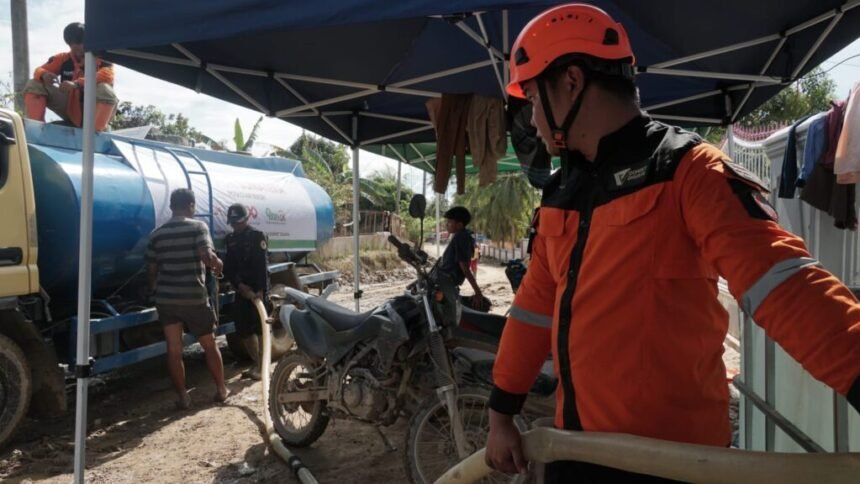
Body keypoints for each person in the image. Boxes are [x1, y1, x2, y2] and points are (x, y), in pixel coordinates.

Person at [486, 4, 860, 482]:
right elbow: (533, 309)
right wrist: (501, 412)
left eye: (535, 100)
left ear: (572, 83)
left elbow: (783, 283)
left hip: (677, 465)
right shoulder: (562, 194)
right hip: (577, 452)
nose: (533, 120)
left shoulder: (688, 170)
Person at [146, 189, 228, 409]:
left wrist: (155, 290)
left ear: (172, 206)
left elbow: (152, 269)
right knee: (209, 344)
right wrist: (218, 264)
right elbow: (206, 256)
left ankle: (183, 397)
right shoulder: (198, 227)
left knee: (174, 349)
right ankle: (221, 389)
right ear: (191, 205)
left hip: (167, 299)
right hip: (193, 297)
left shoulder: (156, 234)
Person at [23, 22, 117, 132]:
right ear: (69, 44)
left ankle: (96, 132)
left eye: (82, 42)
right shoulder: (62, 58)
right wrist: (44, 75)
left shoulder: (102, 58)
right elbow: (38, 70)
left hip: (96, 110)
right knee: (34, 84)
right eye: (76, 44)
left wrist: (77, 83)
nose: (81, 47)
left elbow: (107, 76)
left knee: (105, 89)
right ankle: (37, 129)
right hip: (71, 108)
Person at [223, 203, 269, 381]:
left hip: (257, 289)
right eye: (233, 223)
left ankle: (262, 366)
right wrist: (240, 285)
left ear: (246, 219)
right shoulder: (231, 240)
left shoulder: (257, 237)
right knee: (243, 328)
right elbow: (229, 268)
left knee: (261, 327)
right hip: (241, 289)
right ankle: (257, 363)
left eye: (239, 222)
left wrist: (259, 291)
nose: (236, 226)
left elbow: (261, 266)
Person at [437, 206, 483, 308]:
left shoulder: (461, 237)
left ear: (459, 224)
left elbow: (465, 269)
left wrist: (478, 292)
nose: (447, 224)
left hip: (446, 284)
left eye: (449, 222)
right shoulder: (462, 235)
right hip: (444, 282)